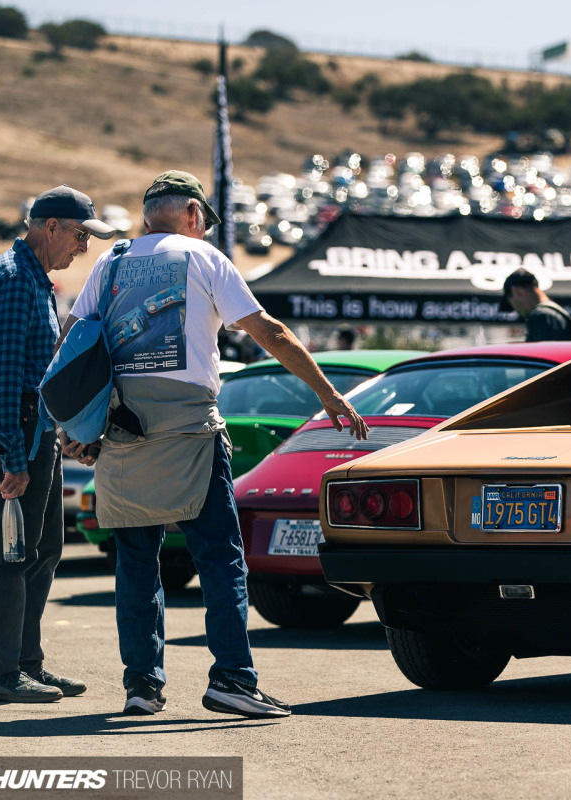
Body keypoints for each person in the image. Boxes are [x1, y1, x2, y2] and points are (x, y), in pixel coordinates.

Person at [63, 170, 368, 719]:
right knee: (221, 557)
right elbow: (268, 331)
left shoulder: (109, 263)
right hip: (188, 429)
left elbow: (74, 342)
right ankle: (232, 677)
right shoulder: (202, 258)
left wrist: (76, 426)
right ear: (193, 215)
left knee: (136, 562)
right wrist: (327, 393)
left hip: (122, 430)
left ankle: (142, 685)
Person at [0, 185, 115, 703]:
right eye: (79, 235)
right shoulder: (10, 281)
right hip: (17, 434)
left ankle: (23, 662)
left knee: (41, 549)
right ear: (49, 226)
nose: (83, 248)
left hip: (32, 432)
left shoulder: (31, 278)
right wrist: (11, 455)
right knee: (10, 553)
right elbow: (2, 378)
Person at [499, 268, 571, 342]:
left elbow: (545, 352)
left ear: (516, 291)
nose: (516, 310)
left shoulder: (541, 315)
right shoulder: (556, 312)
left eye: (511, 304)